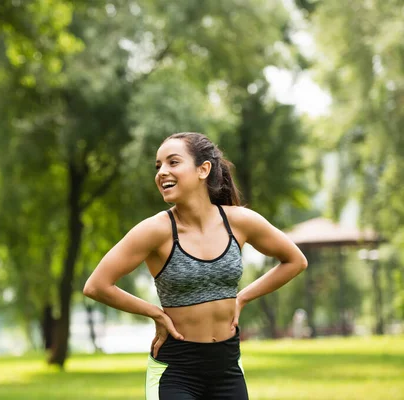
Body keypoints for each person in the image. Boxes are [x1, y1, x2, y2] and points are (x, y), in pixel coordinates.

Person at [83, 132, 308, 400]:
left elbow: (295, 261)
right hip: (176, 371)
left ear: (203, 170)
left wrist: (243, 297)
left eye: (173, 162)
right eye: (158, 166)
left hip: (227, 368)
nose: (162, 172)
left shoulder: (239, 222)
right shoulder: (155, 230)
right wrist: (156, 313)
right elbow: (96, 285)